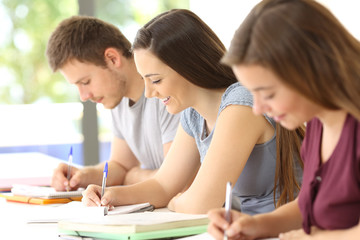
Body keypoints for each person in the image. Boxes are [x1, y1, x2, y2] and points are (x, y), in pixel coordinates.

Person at [81, 9, 304, 215]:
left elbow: (200, 204)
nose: (149, 93)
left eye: (156, 80)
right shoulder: (193, 115)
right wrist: (110, 194)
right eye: (144, 80)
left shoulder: (240, 105)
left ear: (188, 66)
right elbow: (163, 185)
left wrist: (175, 200)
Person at [207, 0, 360, 239]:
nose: (257, 109)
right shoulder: (318, 122)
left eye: (267, 94)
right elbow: (308, 207)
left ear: (312, 70)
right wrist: (256, 225)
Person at [46, 16, 180, 191]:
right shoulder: (119, 99)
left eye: (85, 82)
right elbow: (121, 166)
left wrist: (133, 176)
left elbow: (177, 180)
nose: (83, 96)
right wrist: (81, 176)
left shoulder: (163, 93)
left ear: (112, 59)